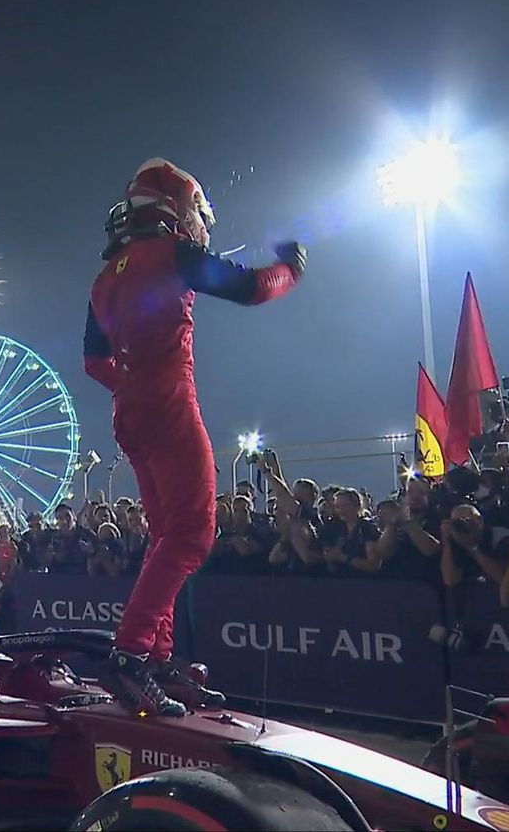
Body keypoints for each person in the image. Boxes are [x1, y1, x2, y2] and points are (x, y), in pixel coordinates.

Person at [83, 158, 305, 714]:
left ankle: (157, 659)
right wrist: (290, 269)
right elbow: (252, 289)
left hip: (129, 411)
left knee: (165, 537)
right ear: (176, 210)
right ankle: (133, 656)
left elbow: (93, 361)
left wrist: (130, 384)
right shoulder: (171, 253)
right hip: (168, 404)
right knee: (191, 536)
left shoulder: (104, 277)